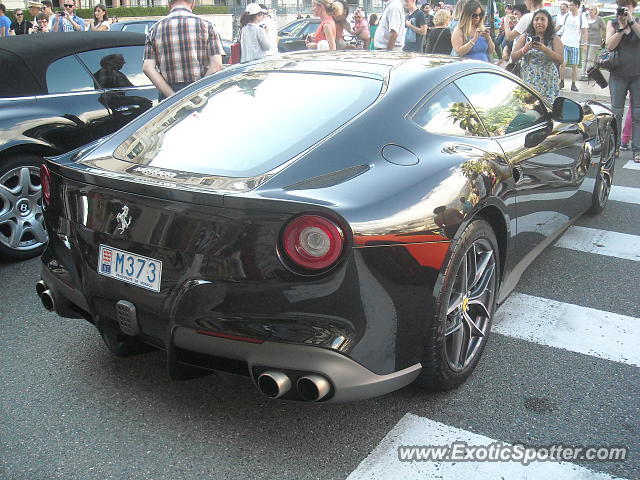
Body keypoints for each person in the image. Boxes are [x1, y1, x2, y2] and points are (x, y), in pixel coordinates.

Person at [143, 0, 223, 101]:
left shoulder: (154, 29)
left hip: (169, 96)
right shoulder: (207, 26)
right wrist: (198, 94)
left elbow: (147, 67)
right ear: (193, 2)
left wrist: (173, 97)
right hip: (201, 93)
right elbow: (216, 65)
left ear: (169, 3)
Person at [605, 0, 640, 162]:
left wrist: (631, 21)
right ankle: (615, 147)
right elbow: (609, 46)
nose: (626, 8)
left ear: (634, 6)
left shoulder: (637, 22)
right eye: (623, 5)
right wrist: (621, 29)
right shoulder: (612, 23)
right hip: (618, 74)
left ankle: (637, 149)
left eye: (629, 5)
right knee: (616, 113)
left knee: (637, 114)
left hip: (637, 74)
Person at [511, 9, 563, 104]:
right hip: (529, 81)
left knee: (547, 109)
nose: (539, 22)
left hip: (548, 82)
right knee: (528, 108)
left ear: (548, 22)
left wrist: (545, 50)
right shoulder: (525, 37)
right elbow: (513, 57)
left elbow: (560, 60)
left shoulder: (554, 39)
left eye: (543, 19)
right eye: (536, 19)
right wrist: (524, 49)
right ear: (532, 22)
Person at [559, 0, 588, 92]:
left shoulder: (581, 17)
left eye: (571, 5)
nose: (569, 7)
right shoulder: (567, 16)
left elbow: (584, 31)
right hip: (564, 42)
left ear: (576, 6)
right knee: (562, 63)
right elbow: (560, 26)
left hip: (575, 44)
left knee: (574, 65)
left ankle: (573, 83)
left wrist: (584, 44)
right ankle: (562, 81)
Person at [581, 5, 606, 79]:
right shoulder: (585, 18)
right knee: (584, 58)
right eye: (589, 9)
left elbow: (604, 28)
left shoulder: (599, 19)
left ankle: (588, 74)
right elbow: (582, 28)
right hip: (585, 41)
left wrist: (603, 38)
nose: (590, 10)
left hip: (595, 41)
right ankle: (583, 74)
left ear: (596, 11)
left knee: (590, 59)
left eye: (592, 9)